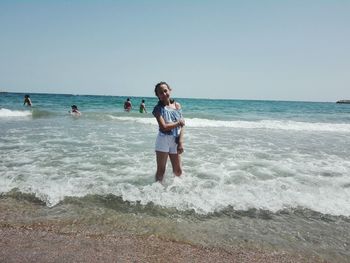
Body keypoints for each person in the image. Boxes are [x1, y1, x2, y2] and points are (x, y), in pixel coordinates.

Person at [152, 81, 185, 182]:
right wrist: (178, 123)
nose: (164, 94)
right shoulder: (158, 109)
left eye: (165, 91)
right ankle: (157, 192)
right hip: (163, 140)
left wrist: (180, 142)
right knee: (161, 170)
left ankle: (177, 192)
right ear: (157, 95)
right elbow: (164, 127)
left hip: (175, 140)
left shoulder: (177, 105)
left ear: (170, 90)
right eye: (160, 93)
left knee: (178, 171)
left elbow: (182, 125)